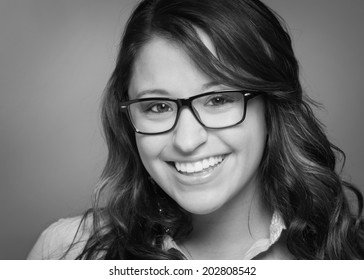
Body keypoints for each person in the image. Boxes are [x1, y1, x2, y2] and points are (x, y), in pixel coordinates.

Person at [27, 0, 364, 260]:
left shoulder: (348, 256)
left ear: (272, 107)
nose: (187, 141)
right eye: (157, 107)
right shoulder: (65, 254)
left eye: (218, 99)